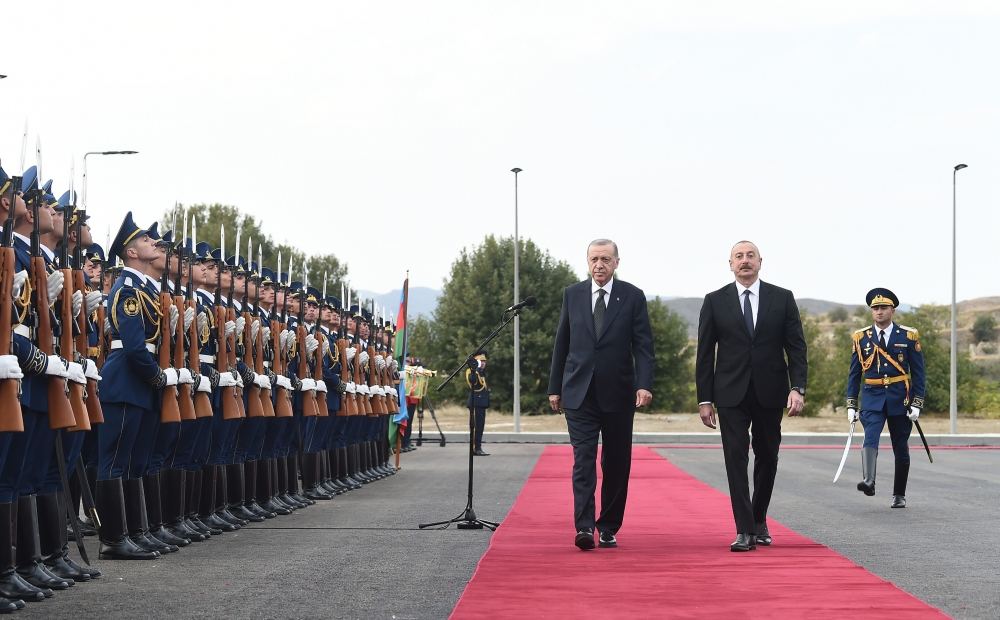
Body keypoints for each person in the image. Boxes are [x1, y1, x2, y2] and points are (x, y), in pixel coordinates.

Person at [695, 240, 807, 552]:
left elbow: (796, 347)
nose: (745, 261)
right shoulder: (715, 301)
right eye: (739, 257)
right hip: (730, 393)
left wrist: (797, 388)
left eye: (750, 256)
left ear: (760, 261)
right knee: (735, 458)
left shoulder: (781, 298)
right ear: (730, 264)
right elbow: (705, 354)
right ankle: (744, 529)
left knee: (768, 457)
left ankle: (759, 519)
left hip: (771, 391)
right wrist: (704, 399)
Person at [548, 239, 654, 551]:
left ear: (616, 263)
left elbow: (644, 346)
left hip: (619, 394)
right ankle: (583, 526)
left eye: (606, 259)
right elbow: (562, 342)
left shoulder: (632, 297)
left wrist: (644, 384)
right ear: (587, 261)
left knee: (617, 462)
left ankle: (607, 526)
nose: (599, 265)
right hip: (579, 393)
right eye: (594, 259)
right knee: (583, 460)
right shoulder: (573, 294)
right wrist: (555, 387)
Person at [845, 288, 925, 509]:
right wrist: (851, 403)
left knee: (901, 446)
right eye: (875, 308)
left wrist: (917, 403)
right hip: (872, 398)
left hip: (900, 398)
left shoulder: (908, 336)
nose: (879, 312)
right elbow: (854, 373)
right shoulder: (861, 338)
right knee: (870, 437)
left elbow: (919, 373)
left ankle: (899, 494)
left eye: (883, 308)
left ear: (893, 310)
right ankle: (869, 481)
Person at [465, 350, 490, 456]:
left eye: (484, 361)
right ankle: (476, 448)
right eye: (481, 361)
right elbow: (473, 381)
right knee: (476, 427)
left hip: (481, 403)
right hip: (476, 403)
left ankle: (477, 447)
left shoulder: (481, 372)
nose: (483, 363)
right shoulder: (471, 371)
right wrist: (476, 369)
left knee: (480, 426)